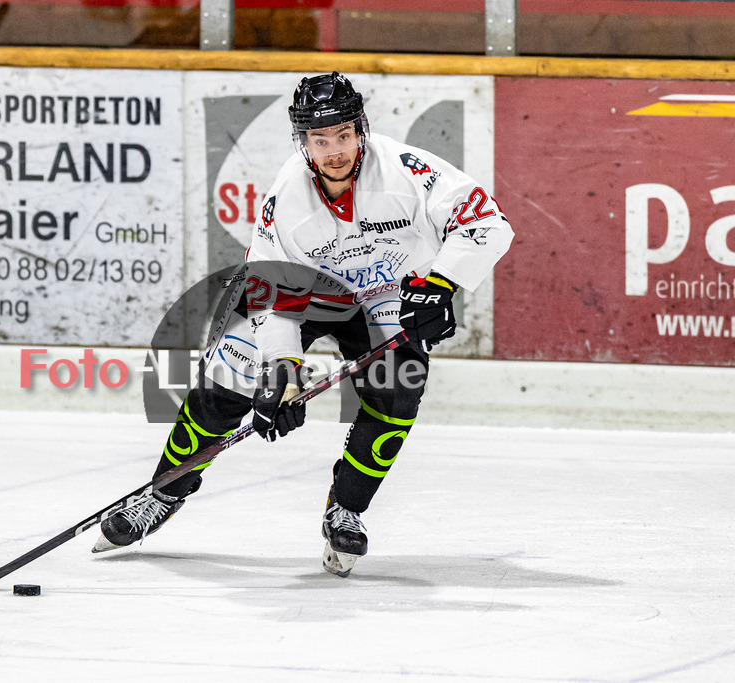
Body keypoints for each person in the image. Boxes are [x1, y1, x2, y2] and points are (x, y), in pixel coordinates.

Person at [92, 72, 514, 577]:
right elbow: (271, 297)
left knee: (397, 390)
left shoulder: (408, 171)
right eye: (320, 139)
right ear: (303, 141)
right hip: (304, 297)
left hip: (385, 293)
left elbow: (488, 223)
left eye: (343, 134)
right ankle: (162, 494)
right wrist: (282, 371)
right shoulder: (285, 201)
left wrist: (442, 284)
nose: (334, 150)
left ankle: (347, 510)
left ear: (361, 128)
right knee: (227, 383)